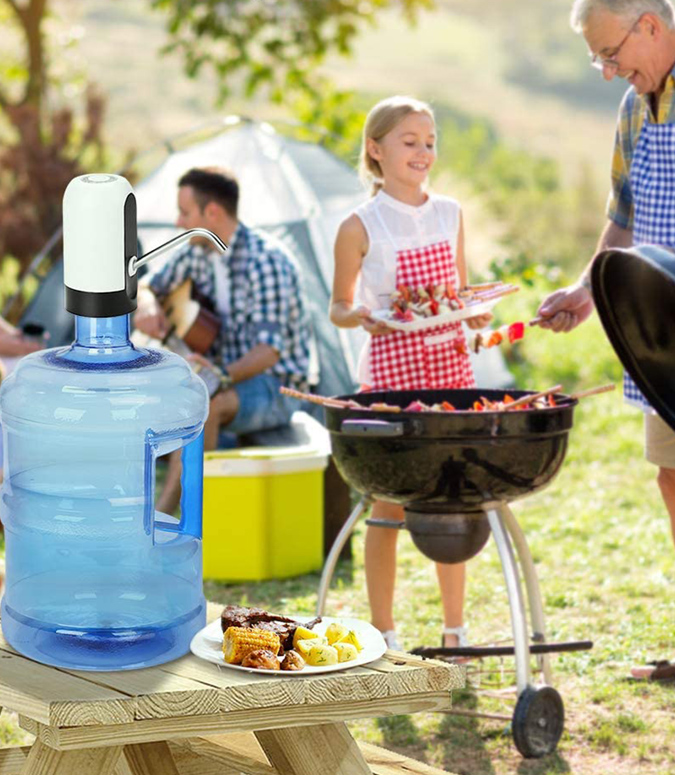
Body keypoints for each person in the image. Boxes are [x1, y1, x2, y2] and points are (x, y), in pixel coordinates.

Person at [536, 0, 675, 677]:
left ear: (649, 23)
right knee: (673, 478)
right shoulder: (633, 107)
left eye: (610, 54)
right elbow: (621, 220)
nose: (605, 71)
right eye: (597, 58)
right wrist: (585, 290)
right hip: (664, 338)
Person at [330, 96, 492, 651]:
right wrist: (360, 317)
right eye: (409, 141)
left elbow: (460, 291)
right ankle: (383, 630)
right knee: (389, 501)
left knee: (454, 494)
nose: (423, 151)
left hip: (449, 363)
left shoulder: (450, 213)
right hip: (389, 371)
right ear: (376, 149)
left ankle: (455, 630)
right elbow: (339, 306)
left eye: (429, 141)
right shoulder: (359, 225)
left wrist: (475, 311)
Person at [134, 167, 312, 513]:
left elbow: (267, 354)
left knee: (206, 403)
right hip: (222, 376)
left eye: (185, 213)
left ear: (211, 212)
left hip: (276, 385)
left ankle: (172, 514)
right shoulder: (195, 252)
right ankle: (162, 509)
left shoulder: (267, 261)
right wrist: (148, 306)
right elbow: (146, 285)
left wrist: (216, 377)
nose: (177, 222)